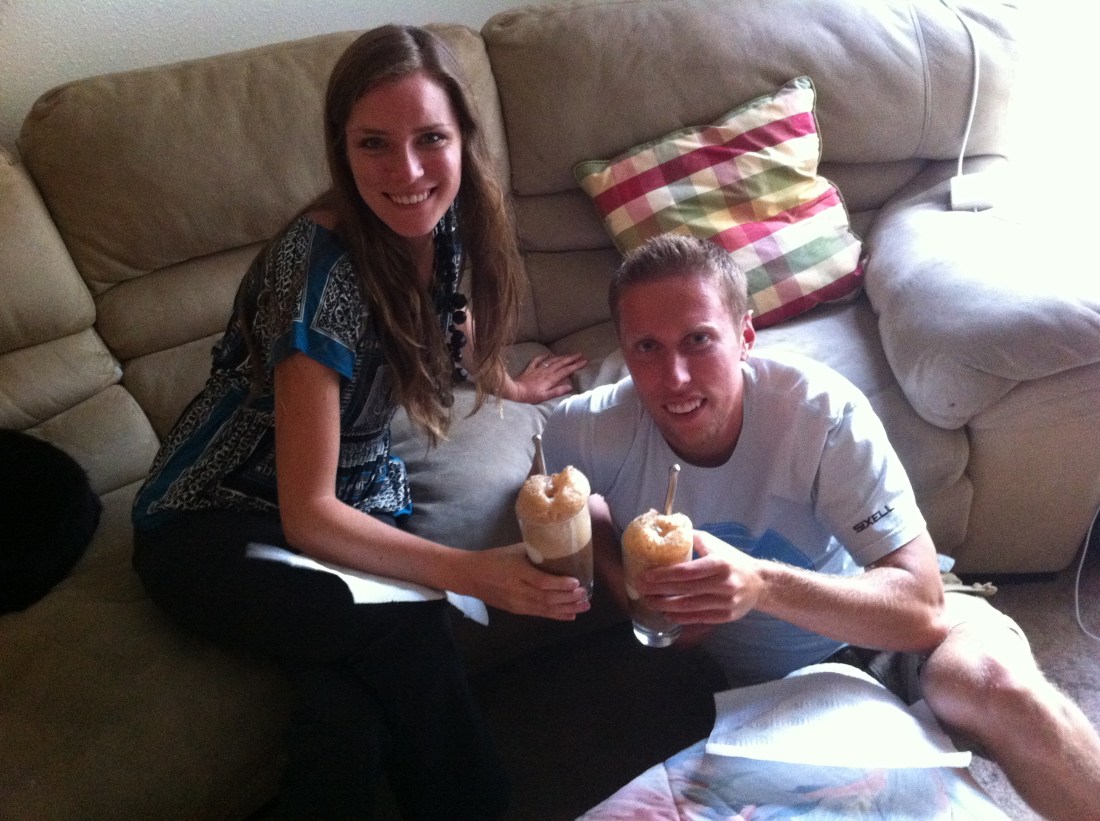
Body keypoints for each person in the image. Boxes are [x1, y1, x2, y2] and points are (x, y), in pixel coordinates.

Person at [131, 24, 588, 820]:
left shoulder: (441, 217)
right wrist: (470, 571)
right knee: (409, 629)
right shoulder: (314, 275)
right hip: (213, 522)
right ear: (341, 148)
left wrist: (505, 382)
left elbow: (450, 321)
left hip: (352, 496)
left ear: (463, 141)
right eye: (374, 143)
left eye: (430, 139)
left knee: (344, 726)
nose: (406, 171)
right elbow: (307, 513)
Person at [541, 233, 1100, 821]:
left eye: (699, 340)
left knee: (996, 685)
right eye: (647, 347)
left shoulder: (821, 413)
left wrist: (760, 584)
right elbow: (564, 498)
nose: (674, 376)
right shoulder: (588, 428)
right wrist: (628, 585)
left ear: (744, 337)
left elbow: (920, 605)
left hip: (886, 630)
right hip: (751, 682)